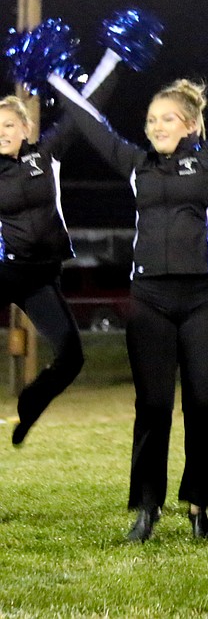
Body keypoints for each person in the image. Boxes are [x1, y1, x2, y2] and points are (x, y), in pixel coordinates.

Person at [58, 68, 208, 541]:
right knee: (152, 405)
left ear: (190, 126)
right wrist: (53, 79)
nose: (155, 127)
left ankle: (199, 507)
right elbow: (94, 126)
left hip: (207, 295)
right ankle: (146, 507)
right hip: (149, 296)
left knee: (202, 405)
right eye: (151, 120)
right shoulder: (137, 166)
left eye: (166, 119)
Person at [1, 78, 116, 446]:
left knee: (71, 358)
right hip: (4, 271)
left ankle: (30, 404)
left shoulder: (46, 153)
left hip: (40, 279)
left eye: (7, 125)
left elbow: (83, 111)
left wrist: (117, 58)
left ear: (26, 127)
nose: (1, 133)